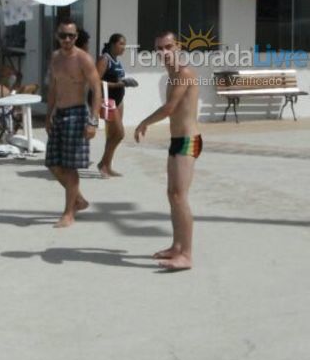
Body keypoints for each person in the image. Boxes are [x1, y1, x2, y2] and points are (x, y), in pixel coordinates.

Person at [135, 30, 202, 271]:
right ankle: (177, 246)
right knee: (172, 194)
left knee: (179, 196)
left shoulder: (183, 73)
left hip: (188, 140)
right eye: (159, 49)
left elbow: (170, 108)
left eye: (168, 47)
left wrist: (144, 122)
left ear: (179, 47)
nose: (164, 53)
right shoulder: (172, 74)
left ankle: (187, 254)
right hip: (177, 140)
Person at [45, 18, 102, 228]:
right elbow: (53, 87)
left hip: (77, 114)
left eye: (71, 35)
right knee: (53, 164)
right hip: (59, 114)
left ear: (76, 37)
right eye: (63, 35)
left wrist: (93, 121)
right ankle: (78, 199)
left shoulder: (83, 59)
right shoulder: (55, 58)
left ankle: (69, 213)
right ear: (57, 36)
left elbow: (97, 89)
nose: (67, 39)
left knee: (70, 167)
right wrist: (49, 114)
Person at [95, 33, 133, 177]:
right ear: (112, 44)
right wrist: (120, 84)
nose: (124, 47)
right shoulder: (104, 59)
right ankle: (103, 163)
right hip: (107, 100)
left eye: (125, 44)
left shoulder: (116, 60)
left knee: (112, 135)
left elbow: (117, 78)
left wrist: (126, 82)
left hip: (118, 101)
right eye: (121, 44)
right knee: (119, 134)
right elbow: (95, 81)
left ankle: (107, 165)